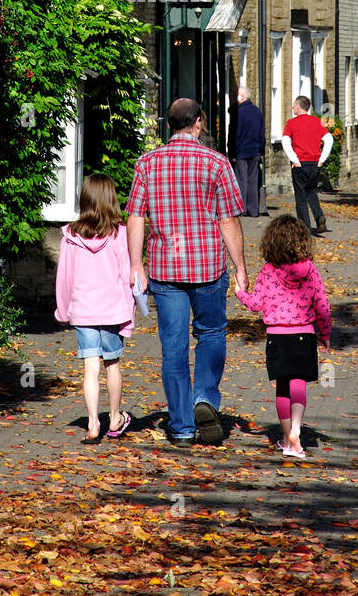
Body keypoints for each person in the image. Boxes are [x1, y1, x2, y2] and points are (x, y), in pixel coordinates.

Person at [126, 97, 248, 447]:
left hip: (165, 272)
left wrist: (136, 265)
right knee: (210, 334)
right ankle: (205, 398)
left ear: (169, 125)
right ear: (198, 122)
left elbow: (136, 216)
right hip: (208, 268)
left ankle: (180, 427)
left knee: (174, 349)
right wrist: (240, 268)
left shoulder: (147, 164)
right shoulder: (216, 163)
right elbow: (228, 220)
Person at [236, 215, 331, 459]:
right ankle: (297, 431)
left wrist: (240, 293)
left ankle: (288, 438)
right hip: (304, 333)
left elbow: (256, 304)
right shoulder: (309, 269)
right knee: (299, 384)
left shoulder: (268, 271)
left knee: (282, 387)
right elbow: (321, 303)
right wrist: (326, 333)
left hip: (276, 336)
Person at [54, 173, 135, 444]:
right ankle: (114, 418)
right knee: (112, 364)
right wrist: (129, 316)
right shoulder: (119, 233)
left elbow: (64, 277)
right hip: (113, 311)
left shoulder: (71, 236)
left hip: (84, 311)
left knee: (91, 369)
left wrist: (62, 311)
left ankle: (92, 424)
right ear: (111, 199)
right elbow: (126, 276)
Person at [281, 96, 333, 235]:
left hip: (300, 163)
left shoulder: (291, 123)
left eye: (293, 105)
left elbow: (285, 142)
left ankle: (305, 228)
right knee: (311, 192)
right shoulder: (317, 122)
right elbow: (329, 139)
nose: (293, 108)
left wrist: (294, 159)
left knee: (301, 198)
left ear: (298, 106)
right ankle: (319, 216)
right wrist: (321, 160)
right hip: (315, 163)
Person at [231, 86, 266, 216]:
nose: (235, 98)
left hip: (241, 151)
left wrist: (233, 152)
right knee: (253, 180)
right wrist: (260, 149)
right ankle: (253, 209)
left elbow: (236, 134)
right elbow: (262, 132)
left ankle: (242, 208)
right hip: (255, 150)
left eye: (237, 95)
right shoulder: (257, 111)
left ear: (242, 97)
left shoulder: (239, 112)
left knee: (241, 180)